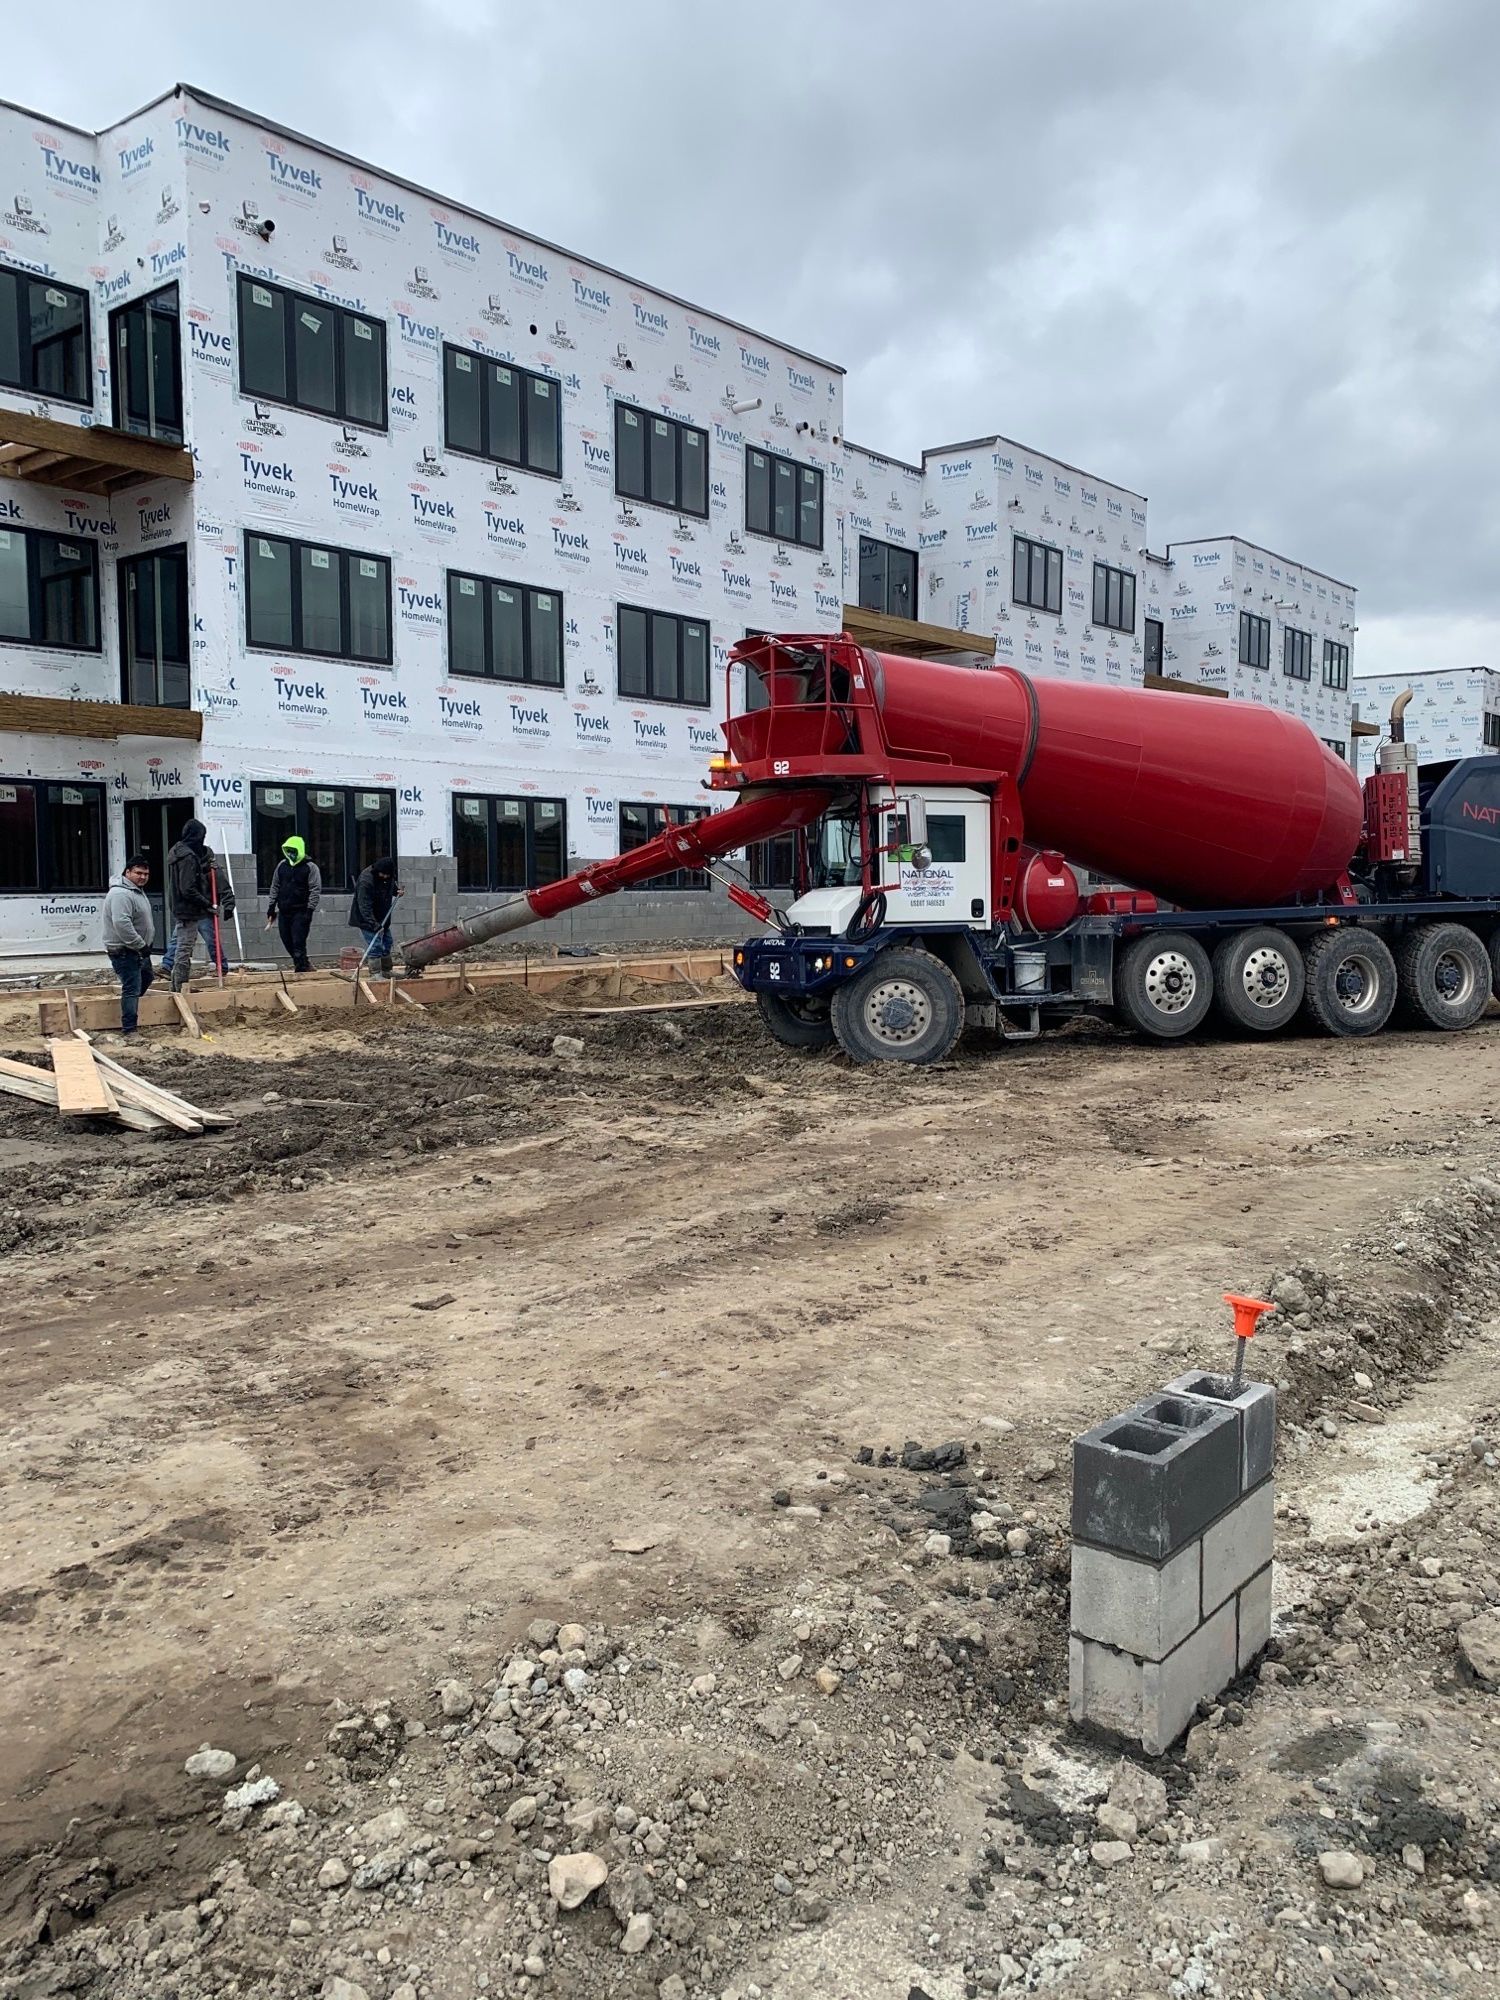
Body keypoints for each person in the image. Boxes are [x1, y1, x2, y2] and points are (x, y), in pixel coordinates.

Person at [167, 819, 235, 992]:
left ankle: (177, 985)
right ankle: (180, 987)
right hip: (192, 909)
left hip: (184, 908)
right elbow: (187, 888)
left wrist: (227, 901)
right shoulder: (188, 857)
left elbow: (219, 881)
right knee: (184, 948)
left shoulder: (179, 852)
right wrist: (207, 905)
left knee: (181, 945)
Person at [102, 852, 155, 1035]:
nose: (142, 877)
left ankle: (129, 1006)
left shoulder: (136, 891)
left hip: (138, 949)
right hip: (125, 950)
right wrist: (140, 944)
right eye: (138, 873)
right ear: (128, 872)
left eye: (146, 874)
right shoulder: (121, 894)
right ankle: (129, 1029)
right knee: (132, 988)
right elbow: (121, 924)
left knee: (146, 977)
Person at [266, 835, 322, 973]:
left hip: (301, 911)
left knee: (298, 941)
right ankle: (304, 963)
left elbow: (315, 889)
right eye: (288, 850)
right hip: (284, 910)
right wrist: (271, 907)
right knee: (287, 940)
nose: (291, 854)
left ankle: (301, 969)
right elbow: (275, 886)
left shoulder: (310, 867)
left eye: (293, 850)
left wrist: (309, 910)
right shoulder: (282, 866)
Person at [349, 854, 400, 975]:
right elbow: (364, 906)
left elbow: (390, 885)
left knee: (387, 942)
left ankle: (386, 971)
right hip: (367, 919)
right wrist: (373, 924)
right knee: (375, 945)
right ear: (378, 871)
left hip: (383, 917)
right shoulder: (366, 881)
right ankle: (375, 973)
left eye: (388, 875)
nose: (385, 877)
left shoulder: (388, 876)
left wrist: (396, 891)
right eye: (383, 875)